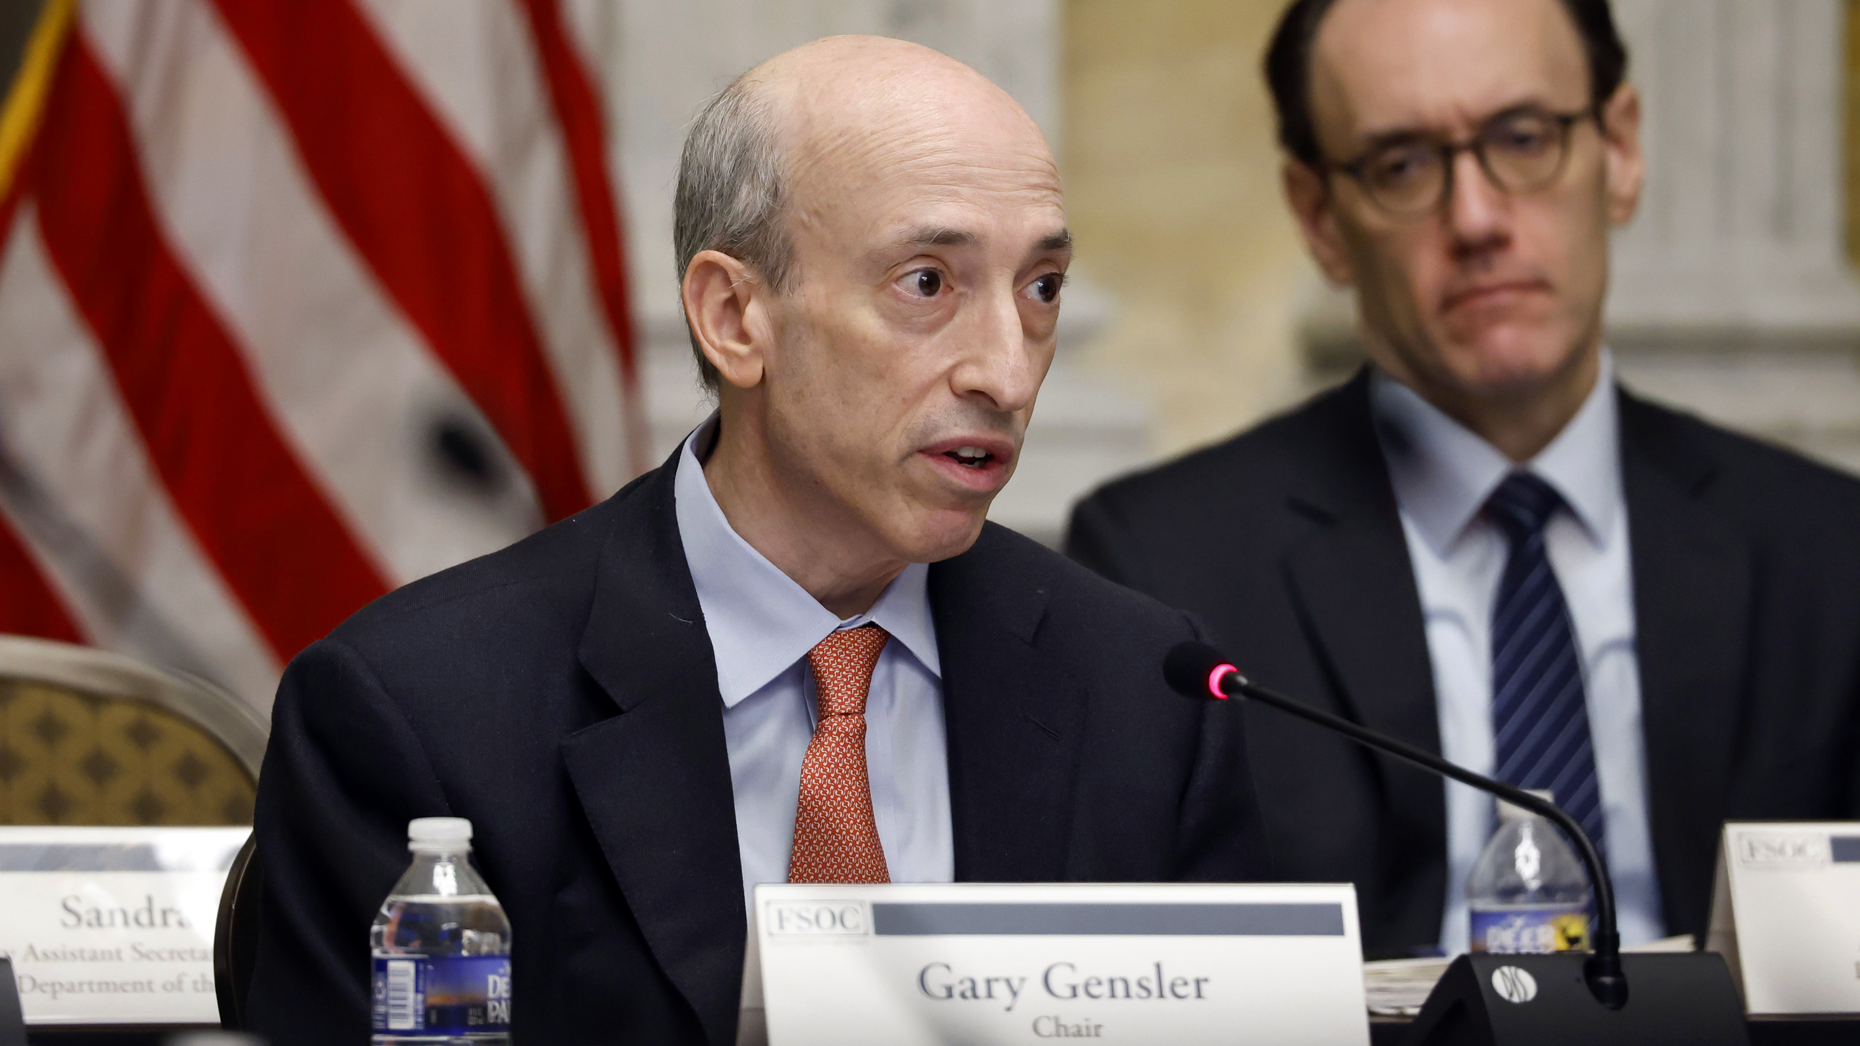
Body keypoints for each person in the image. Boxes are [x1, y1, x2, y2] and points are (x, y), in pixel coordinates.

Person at [248, 36, 1268, 1045]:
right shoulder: (421, 713)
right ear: (735, 316)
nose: (1006, 372)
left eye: (1041, 288)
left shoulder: (1146, 693)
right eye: (928, 283)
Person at [1068, 0, 1860, 959]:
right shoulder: (1162, 571)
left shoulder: (1829, 554)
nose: (1477, 219)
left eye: (1523, 139)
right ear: (1319, 217)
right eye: (1402, 165)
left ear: (1619, 150)